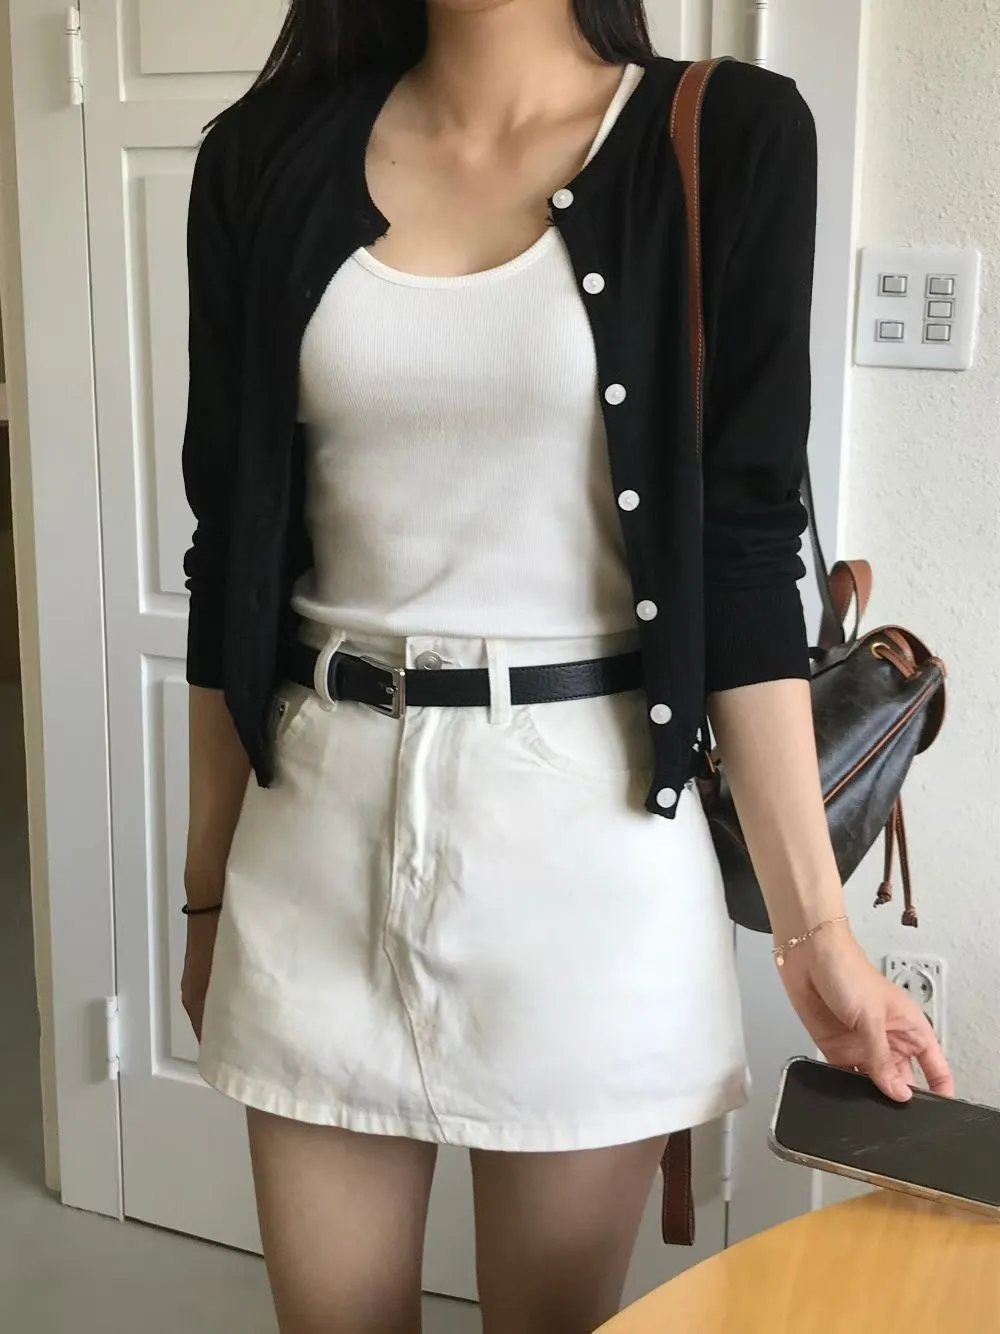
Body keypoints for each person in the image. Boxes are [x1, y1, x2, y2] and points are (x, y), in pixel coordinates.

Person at [179, 3, 955, 1331]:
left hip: (587, 851)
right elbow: (227, 560)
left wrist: (819, 941)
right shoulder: (260, 159)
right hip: (315, 833)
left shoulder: (728, 139)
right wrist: (207, 899)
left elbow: (744, 565)